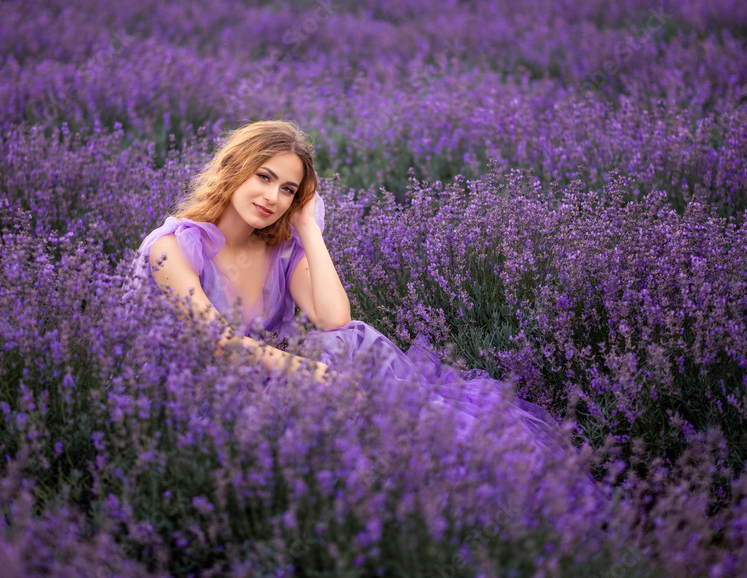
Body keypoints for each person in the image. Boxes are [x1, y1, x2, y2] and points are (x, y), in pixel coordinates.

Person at [123, 119, 584, 460]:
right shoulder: (174, 248)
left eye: (288, 190)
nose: (272, 197)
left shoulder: (280, 250)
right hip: (195, 394)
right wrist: (312, 374)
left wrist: (309, 229)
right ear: (233, 168)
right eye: (263, 177)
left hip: (260, 373)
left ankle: (427, 453)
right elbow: (218, 345)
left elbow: (334, 319)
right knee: (331, 380)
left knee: (350, 340)